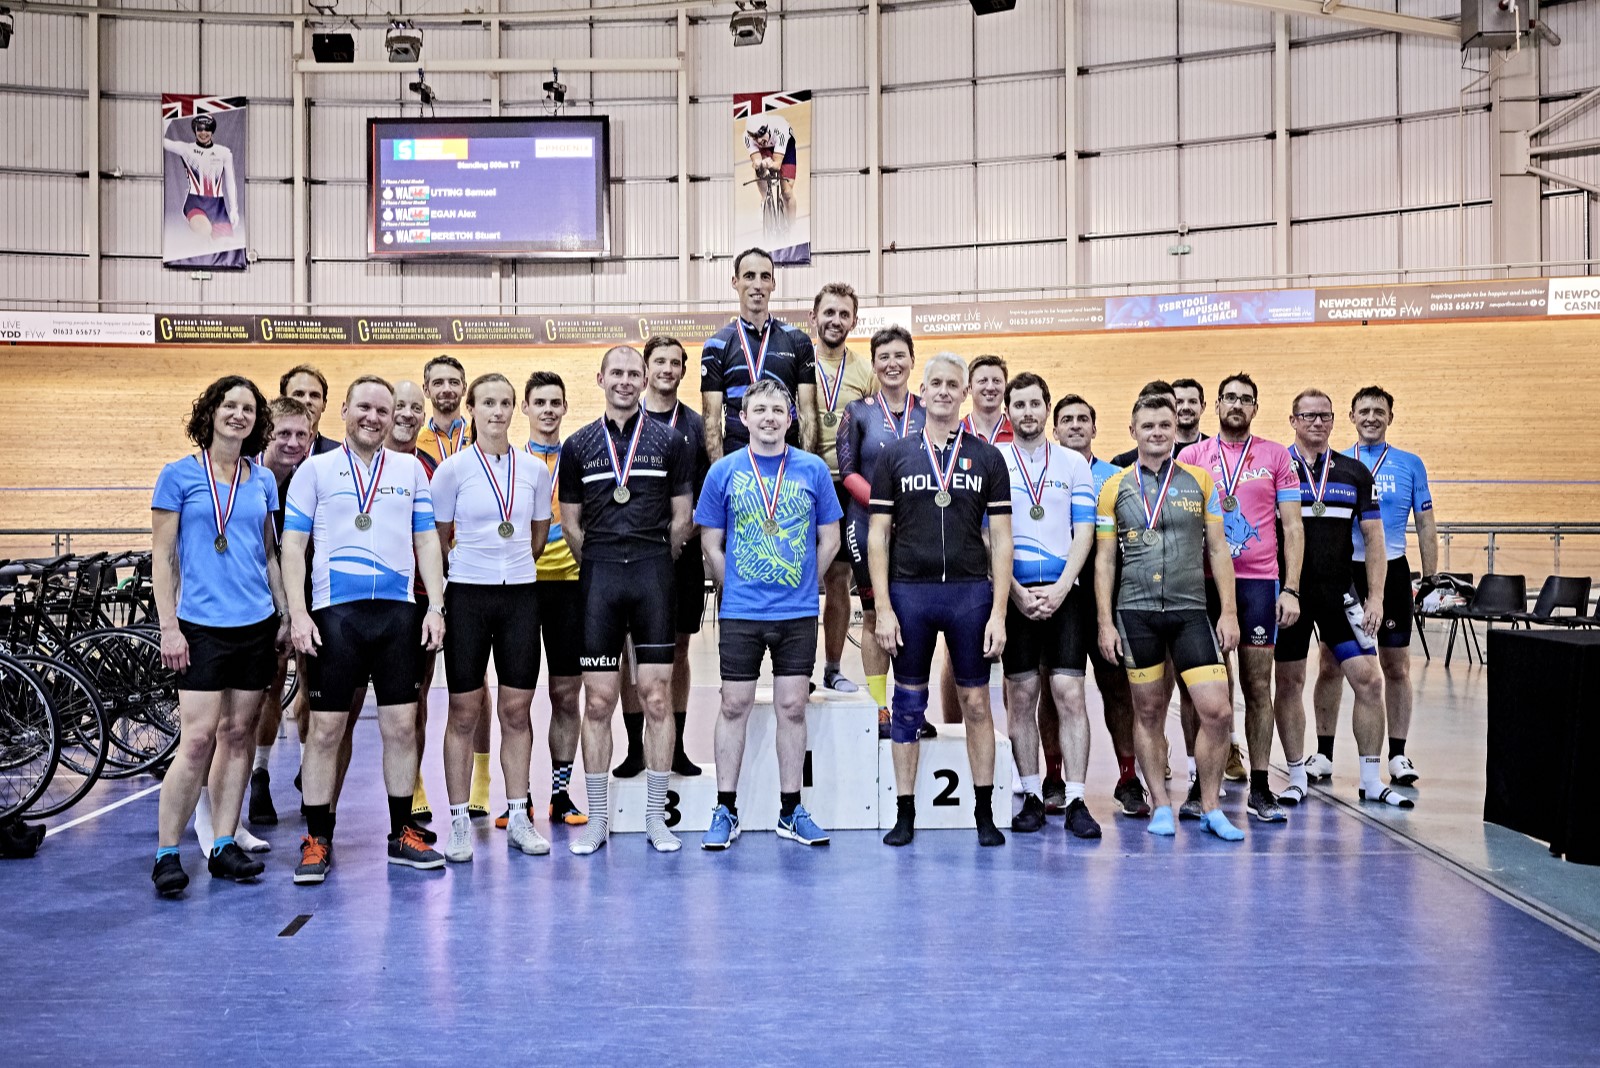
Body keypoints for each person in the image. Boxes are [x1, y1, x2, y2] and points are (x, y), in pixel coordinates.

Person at [281, 375, 448, 884]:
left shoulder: (410, 470)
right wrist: (299, 613)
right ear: (344, 413)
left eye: (383, 408)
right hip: (335, 616)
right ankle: (316, 838)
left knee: (401, 727)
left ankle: (402, 833)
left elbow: (426, 543)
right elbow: (292, 546)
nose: (374, 417)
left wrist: (436, 606)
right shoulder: (314, 470)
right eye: (364, 408)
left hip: (398, 616)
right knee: (326, 730)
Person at [870, 352, 1013, 848]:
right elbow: (877, 536)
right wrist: (883, 608)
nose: (945, 392)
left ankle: (984, 812)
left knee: (976, 702)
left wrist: (998, 611)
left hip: (971, 594)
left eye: (955, 384)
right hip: (910, 594)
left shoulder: (989, 458)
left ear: (965, 393)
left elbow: (1002, 538)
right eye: (937, 384)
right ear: (923, 391)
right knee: (908, 706)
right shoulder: (895, 455)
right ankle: (904, 811)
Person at [151, 376, 287, 895]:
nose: (238, 415)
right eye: (229, 405)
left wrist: (285, 614)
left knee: (238, 736)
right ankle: (167, 851)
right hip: (201, 627)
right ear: (209, 413)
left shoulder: (262, 480)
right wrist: (169, 626)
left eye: (248, 408)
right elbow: (162, 557)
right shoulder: (179, 476)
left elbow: (270, 553)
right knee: (198, 739)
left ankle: (224, 845)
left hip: (254, 625)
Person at [559, 346, 694, 855]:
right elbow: (571, 523)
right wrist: (602, 558)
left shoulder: (671, 440)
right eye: (616, 372)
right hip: (598, 579)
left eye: (633, 373)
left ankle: (657, 818)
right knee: (597, 700)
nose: (625, 381)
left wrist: (654, 555)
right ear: (600, 378)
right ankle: (597, 821)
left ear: (644, 381)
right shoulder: (578, 445)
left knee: (657, 697)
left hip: (654, 574)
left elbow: (683, 517)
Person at [697, 380, 843, 849]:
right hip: (741, 612)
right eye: (759, 409)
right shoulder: (723, 471)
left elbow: (832, 539)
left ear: (790, 417)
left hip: (797, 614)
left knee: (793, 707)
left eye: (777, 410)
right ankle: (725, 808)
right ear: (743, 417)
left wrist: (804, 583)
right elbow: (711, 545)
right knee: (733, 705)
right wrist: (735, 586)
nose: (768, 418)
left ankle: (790, 810)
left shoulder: (813, 469)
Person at [1095, 394, 1245, 841]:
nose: (1157, 432)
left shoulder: (1200, 481)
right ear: (1133, 431)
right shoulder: (1115, 486)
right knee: (1148, 710)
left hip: (1190, 611)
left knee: (1217, 710)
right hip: (1135, 612)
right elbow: (1104, 561)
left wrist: (1230, 612)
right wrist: (1105, 622)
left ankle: (1211, 805)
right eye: (1148, 426)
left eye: (1164, 425)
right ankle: (1161, 803)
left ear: (1174, 429)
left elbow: (1218, 549)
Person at [431, 374, 554, 861]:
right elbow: (439, 536)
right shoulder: (453, 471)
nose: (498, 412)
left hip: (521, 596)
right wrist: (472, 566)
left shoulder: (534, 471)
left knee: (516, 711)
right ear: (472, 409)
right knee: (463, 712)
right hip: (467, 597)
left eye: (505, 403)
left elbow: (539, 535)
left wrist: (514, 566)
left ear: (514, 409)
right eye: (487, 403)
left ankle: (519, 814)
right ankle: (459, 820)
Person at [1272, 389, 1413, 810]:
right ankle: (1297, 775)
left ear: (1335, 421)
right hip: (1291, 596)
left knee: (1370, 680)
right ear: (1293, 420)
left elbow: (1374, 537)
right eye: (1308, 416)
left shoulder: (1354, 473)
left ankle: (1371, 779)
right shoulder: (1278, 468)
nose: (1317, 423)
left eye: (1324, 416)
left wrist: (1375, 597)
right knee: (1290, 682)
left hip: (1340, 594)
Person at [1176, 373, 1304, 823]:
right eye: (1229, 397)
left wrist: (1290, 588)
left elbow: (1292, 526)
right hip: (1202, 584)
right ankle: (1198, 782)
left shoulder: (1275, 456)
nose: (1237, 405)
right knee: (1199, 690)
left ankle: (1262, 785)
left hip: (1257, 584)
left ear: (1255, 407)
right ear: (1217, 405)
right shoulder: (1192, 455)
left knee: (1257, 686)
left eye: (1245, 399)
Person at [1309, 386, 1437, 787]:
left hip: (1393, 572)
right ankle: (1324, 754)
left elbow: (1427, 524)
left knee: (1396, 666)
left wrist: (1431, 580)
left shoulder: (1410, 464)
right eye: (1363, 410)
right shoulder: (1338, 463)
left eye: (1378, 411)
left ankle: (1398, 756)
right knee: (1330, 661)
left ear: (1390, 418)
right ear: (1350, 417)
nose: (1371, 417)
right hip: (1344, 574)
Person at [1000, 373, 1100, 839]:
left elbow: (1085, 531)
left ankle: (1077, 798)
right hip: (1014, 593)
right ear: (1008, 411)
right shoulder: (995, 460)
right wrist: (1015, 592)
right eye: (1018, 405)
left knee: (1070, 694)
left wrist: (1061, 588)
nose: (1027, 413)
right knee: (1020, 696)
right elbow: (987, 535)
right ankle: (1032, 795)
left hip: (1065, 592)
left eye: (1035, 404)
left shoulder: (1074, 464)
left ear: (1047, 409)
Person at [615, 336, 708, 780]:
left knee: (681, 649)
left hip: (683, 555)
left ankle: (676, 748)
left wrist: (679, 540)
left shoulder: (695, 425)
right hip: (633, 559)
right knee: (631, 651)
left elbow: (705, 496)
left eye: (675, 362)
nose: (667, 369)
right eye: (660, 362)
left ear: (684, 371)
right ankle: (636, 748)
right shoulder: (625, 422)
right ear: (646, 369)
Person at [1054, 394, 1147, 817]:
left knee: (1117, 690)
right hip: (1058, 599)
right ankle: (1054, 777)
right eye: (1067, 419)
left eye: (1082, 420)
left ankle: (1128, 778)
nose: (1075, 425)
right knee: (1055, 690)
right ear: (1055, 430)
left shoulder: (1119, 477)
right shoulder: (1045, 472)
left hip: (1109, 600)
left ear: (1095, 429)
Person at [835, 326, 930, 737]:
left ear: (912, 360)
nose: (892, 363)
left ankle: (910, 705)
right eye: (883, 357)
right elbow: (847, 469)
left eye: (899, 356)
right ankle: (878, 707)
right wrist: (883, 505)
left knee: (914, 615)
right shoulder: (857, 412)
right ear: (873, 365)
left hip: (918, 529)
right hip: (865, 524)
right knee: (874, 615)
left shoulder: (928, 411)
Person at [415, 354, 494, 817]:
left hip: (474, 575)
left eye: (453, 381)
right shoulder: (411, 441)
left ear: (463, 389)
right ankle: (418, 782)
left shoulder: (484, 434)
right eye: (437, 381)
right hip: (427, 577)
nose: (445, 388)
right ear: (427, 389)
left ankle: (481, 779)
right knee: (419, 685)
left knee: (475, 685)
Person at [522, 371, 588, 828]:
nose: (547, 410)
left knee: (566, 694)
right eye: (539, 402)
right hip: (521, 590)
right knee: (516, 699)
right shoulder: (508, 461)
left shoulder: (579, 458)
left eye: (555, 402)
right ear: (525, 408)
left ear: (565, 408)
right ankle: (518, 794)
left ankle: (560, 795)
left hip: (570, 587)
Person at [248, 395, 313, 830]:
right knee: (267, 691)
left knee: (313, 690)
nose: (292, 442)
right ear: (267, 433)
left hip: (310, 597)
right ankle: (260, 774)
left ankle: (310, 774)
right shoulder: (251, 476)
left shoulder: (315, 471)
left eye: (300, 435)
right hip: (263, 601)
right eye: (283, 434)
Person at [810, 282, 877, 695]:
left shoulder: (864, 372)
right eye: (829, 312)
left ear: (853, 320)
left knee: (838, 579)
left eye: (844, 314)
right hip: (801, 485)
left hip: (848, 486)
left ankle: (832, 667)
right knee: (799, 577)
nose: (836, 320)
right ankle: (795, 669)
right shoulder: (799, 362)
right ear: (813, 316)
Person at [701, 247, 818, 459]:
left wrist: (805, 467)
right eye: (749, 276)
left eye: (765, 277)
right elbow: (712, 419)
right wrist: (720, 473)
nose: (757, 285)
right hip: (736, 459)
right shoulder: (716, 345)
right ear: (734, 282)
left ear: (773, 284)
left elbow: (808, 414)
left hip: (787, 460)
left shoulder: (798, 341)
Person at [385, 381, 442, 823]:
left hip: (418, 601)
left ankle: (414, 786)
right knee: (337, 714)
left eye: (413, 408)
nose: (406, 414)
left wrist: (436, 604)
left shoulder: (426, 469)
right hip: (357, 606)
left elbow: (431, 538)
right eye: (398, 405)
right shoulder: (347, 464)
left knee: (414, 703)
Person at [163, 113, 240, 241]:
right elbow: (161, 142)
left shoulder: (224, 152)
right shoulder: (186, 149)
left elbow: (230, 181)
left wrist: (234, 209)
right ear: (195, 130)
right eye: (200, 129)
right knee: (204, 232)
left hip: (218, 207)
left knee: (226, 248)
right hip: (195, 203)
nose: (203, 133)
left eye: (207, 129)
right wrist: (168, 118)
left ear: (212, 131)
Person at [743, 113, 796, 220]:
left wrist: (771, 164)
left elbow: (777, 164)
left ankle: (792, 229)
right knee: (759, 168)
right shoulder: (747, 137)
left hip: (786, 144)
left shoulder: (780, 129)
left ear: (767, 128)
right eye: (754, 136)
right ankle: (764, 200)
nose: (758, 140)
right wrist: (760, 164)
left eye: (760, 134)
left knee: (787, 192)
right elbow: (756, 161)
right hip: (765, 148)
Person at [279, 364, 341, 455]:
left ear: (324, 404)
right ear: (282, 401)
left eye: (314, 395)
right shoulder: (262, 452)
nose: (307, 400)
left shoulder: (339, 454)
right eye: (299, 394)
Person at [961, 355, 1014, 444]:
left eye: (996, 381)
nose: (990, 387)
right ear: (969, 387)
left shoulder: (1018, 433)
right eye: (983, 381)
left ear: (1006, 387)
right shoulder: (956, 432)